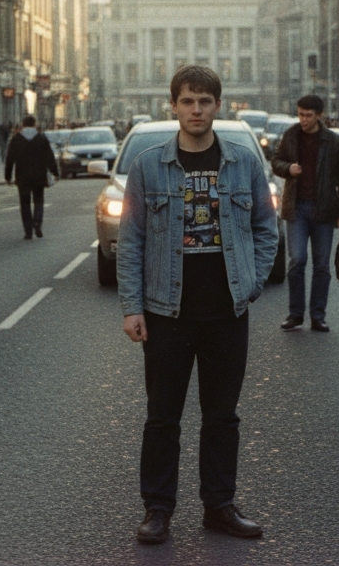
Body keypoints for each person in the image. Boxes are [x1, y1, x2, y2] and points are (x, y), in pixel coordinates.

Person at [118, 65, 277, 545]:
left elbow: (267, 229)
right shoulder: (148, 165)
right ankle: (158, 509)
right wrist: (132, 307)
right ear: (174, 106)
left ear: (218, 106)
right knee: (163, 416)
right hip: (167, 312)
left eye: (205, 101)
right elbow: (131, 241)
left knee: (222, 416)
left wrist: (251, 284)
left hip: (227, 311)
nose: (196, 110)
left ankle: (219, 506)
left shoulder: (244, 163)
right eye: (187, 101)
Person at [271, 94, 339, 332]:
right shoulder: (291, 135)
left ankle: (318, 316)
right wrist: (289, 168)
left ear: (319, 115)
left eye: (308, 115)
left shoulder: (333, 141)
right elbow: (276, 162)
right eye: (300, 114)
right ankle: (295, 314)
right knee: (297, 260)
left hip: (324, 210)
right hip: (296, 208)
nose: (303, 120)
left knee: (321, 265)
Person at [5, 115, 58, 239]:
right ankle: (38, 222)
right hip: (39, 175)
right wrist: (55, 172)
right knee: (39, 200)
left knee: (25, 203)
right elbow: (49, 157)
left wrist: (8, 176)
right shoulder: (41, 139)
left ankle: (28, 231)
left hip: (22, 177)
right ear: (35, 124)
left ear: (23, 125)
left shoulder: (16, 139)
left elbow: (10, 159)